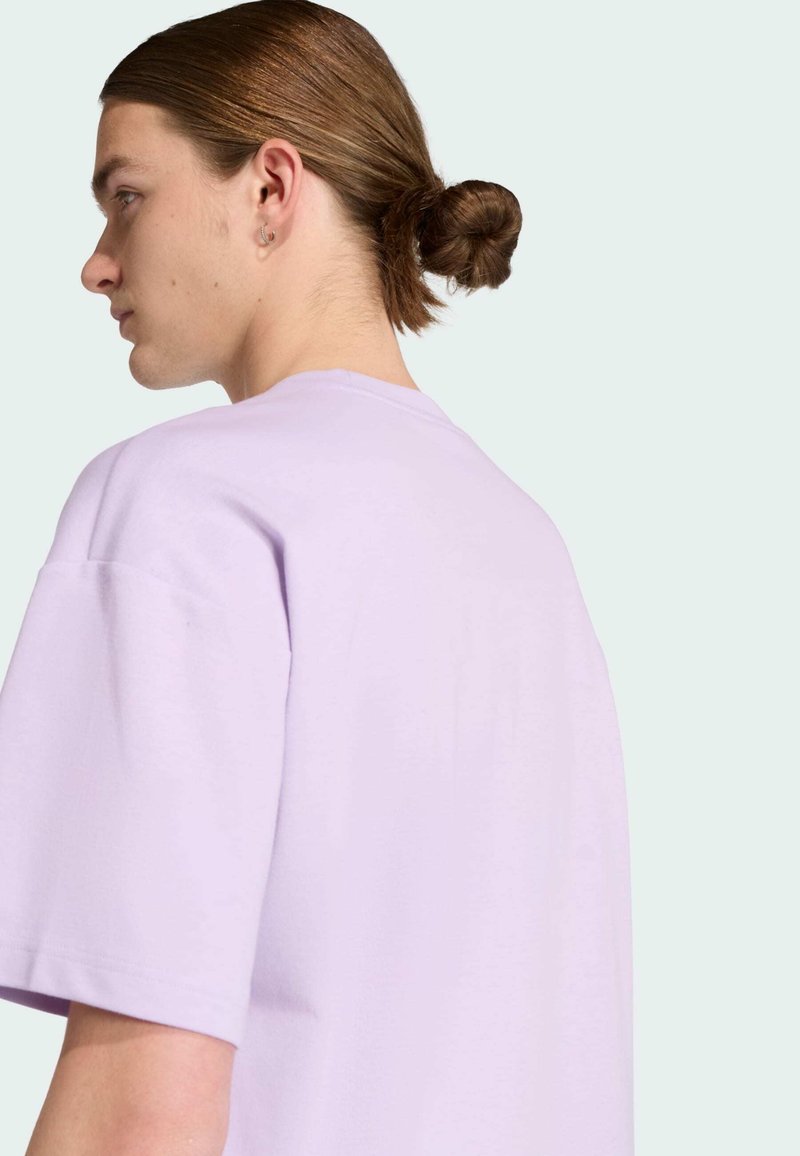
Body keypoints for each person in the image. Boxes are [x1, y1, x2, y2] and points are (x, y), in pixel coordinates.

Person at [0, 2, 633, 1154]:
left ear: (270, 188)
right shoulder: (522, 544)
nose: (97, 263)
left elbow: (143, 1103)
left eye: (126, 196)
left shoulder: (183, 501)